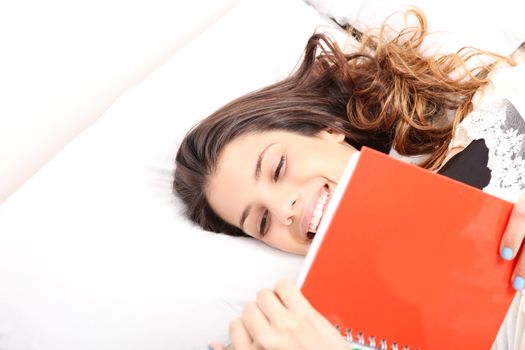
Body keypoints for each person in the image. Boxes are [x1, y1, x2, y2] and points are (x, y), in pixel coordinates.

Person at [173, 9, 525, 350]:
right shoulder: (321, 327)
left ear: (326, 129)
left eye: (278, 168)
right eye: (262, 221)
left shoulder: (489, 112)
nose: (283, 209)